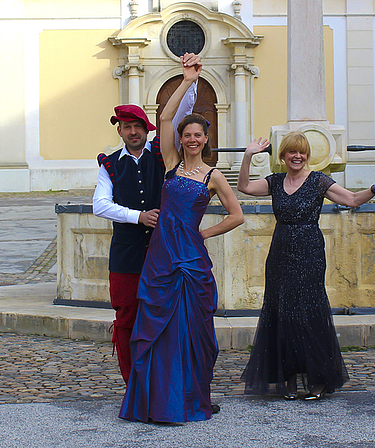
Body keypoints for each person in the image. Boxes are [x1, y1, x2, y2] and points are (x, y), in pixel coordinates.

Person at [119, 56, 244, 423]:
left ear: (206, 139)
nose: (191, 139)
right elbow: (164, 119)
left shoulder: (214, 176)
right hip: (161, 254)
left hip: (190, 256)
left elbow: (236, 216)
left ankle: (189, 395)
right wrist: (189, 81)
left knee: (192, 329)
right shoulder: (171, 161)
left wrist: (203, 232)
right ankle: (156, 398)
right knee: (158, 324)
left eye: (197, 135)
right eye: (187, 134)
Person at [238, 131, 375, 400]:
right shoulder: (275, 182)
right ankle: (288, 379)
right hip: (280, 253)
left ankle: (318, 378)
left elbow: (352, 200)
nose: (298, 156)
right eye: (292, 152)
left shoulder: (318, 181)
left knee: (308, 312)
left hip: (309, 252)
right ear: (283, 156)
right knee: (281, 311)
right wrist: (248, 156)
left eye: (302, 152)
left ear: (307, 155)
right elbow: (244, 187)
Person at [93, 54, 200, 384]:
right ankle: (133, 384)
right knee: (126, 319)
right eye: (127, 127)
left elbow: (179, 117)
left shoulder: (160, 154)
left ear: (145, 129)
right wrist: (138, 216)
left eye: (138, 126)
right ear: (121, 130)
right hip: (125, 257)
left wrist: (190, 81)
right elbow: (100, 205)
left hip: (161, 254)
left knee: (163, 317)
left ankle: (164, 383)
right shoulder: (109, 164)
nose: (133, 131)